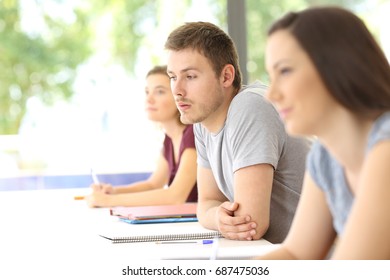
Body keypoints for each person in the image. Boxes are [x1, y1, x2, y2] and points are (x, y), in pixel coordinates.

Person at [257, 6, 390, 259]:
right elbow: (296, 253)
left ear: (338, 66)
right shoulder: (325, 156)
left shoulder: (386, 146)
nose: (271, 94)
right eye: (270, 76)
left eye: (284, 71)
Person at [164, 22, 310, 244]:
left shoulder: (250, 107)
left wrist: (217, 216)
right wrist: (218, 217)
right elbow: (206, 205)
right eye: (173, 77)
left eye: (190, 76)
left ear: (226, 76)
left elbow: (251, 224)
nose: (177, 90)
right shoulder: (202, 122)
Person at [86, 65, 198, 207]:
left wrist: (108, 201)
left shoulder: (193, 134)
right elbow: (153, 184)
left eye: (159, 92)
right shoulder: (169, 140)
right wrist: (113, 192)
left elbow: (175, 196)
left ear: (179, 95)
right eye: (147, 92)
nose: (149, 99)